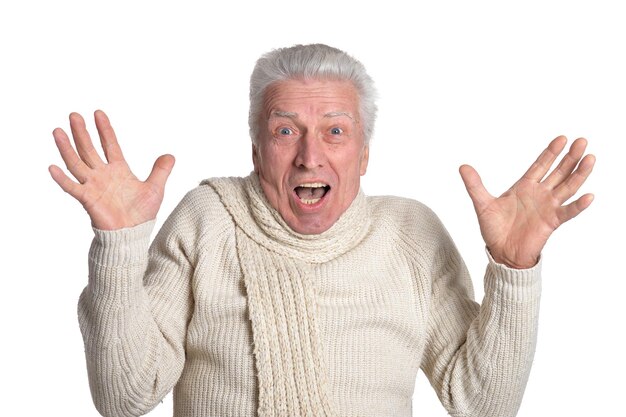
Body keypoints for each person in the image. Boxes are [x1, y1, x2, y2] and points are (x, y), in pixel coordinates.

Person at [49, 44, 595, 417]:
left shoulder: (411, 234)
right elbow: (124, 397)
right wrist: (118, 246)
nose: (310, 157)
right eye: (286, 131)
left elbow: (483, 404)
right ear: (257, 151)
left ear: (363, 156)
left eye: (335, 131)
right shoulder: (206, 219)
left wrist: (515, 272)